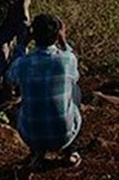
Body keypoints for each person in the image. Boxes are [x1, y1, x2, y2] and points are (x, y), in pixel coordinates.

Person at [6, 14, 82, 170]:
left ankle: (36, 153)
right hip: (64, 136)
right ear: (58, 34)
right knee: (75, 90)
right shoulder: (67, 60)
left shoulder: (23, 63)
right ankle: (71, 152)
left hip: (31, 137)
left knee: (22, 101)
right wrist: (64, 41)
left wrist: (21, 45)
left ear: (33, 35)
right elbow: (74, 73)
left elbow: (10, 79)